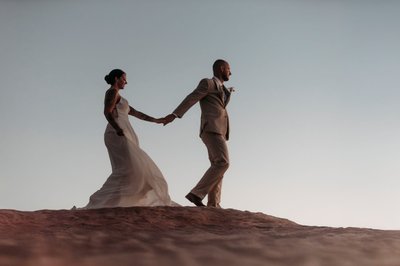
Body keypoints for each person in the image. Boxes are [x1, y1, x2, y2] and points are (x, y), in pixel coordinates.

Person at [83, 69, 175, 208]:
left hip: (124, 131)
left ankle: (112, 204)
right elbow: (107, 112)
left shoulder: (121, 98)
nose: (126, 81)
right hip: (117, 133)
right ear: (116, 78)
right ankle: (99, 201)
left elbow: (137, 113)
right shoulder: (112, 92)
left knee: (130, 168)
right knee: (129, 168)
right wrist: (117, 128)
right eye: (124, 78)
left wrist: (157, 120)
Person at [162, 59, 233, 208]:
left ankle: (214, 204)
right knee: (223, 162)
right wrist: (175, 114)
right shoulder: (208, 83)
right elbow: (191, 98)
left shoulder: (222, 88)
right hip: (211, 128)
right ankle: (196, 194)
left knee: (217, 166)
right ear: (221, 68)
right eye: (228, 69)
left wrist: (228, 93)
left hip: (219, 130)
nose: (230, 72)